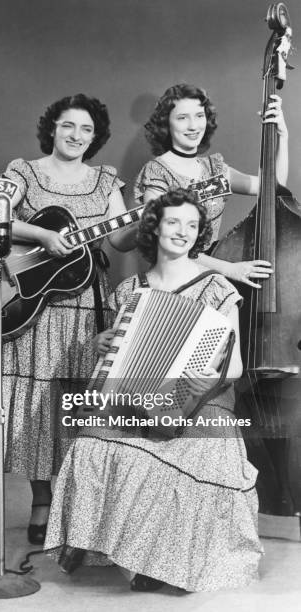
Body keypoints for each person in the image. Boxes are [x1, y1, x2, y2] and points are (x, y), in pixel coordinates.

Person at [44, 188, 263, 592]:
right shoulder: (130, 290)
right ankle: (136, 555)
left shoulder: (216, 287)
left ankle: (170, 559)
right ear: (155, 228)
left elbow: (234, 365)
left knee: (195, 454)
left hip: (204, 398)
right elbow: (120, 353)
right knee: (94, 441)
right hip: (134, 397)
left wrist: (209, 378)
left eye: (192, 225)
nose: (183, 231)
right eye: (174, 221)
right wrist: (103, 343)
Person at [0, 94, 138, 545]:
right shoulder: (24, 171)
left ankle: (77, 504)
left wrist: (149, 218)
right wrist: (43, 234)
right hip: (31, 307)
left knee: (80, 400)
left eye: (86, 129)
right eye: (68, 126)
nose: (76, 136)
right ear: (52, 128)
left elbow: (121, 239)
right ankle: (42, 501)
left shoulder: (106, 179)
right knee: (36, 401)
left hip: (87, 305)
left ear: (96, 136)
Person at [134, 83, 289, 288]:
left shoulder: (214, 169)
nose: (193, 126)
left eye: (199, 115)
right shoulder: (157, 172)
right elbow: (166, 242)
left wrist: (282, 136)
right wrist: (228, 269)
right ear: (166, 124)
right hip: (174, 281)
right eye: (182, 118)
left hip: (211, 278)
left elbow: (272, 189)